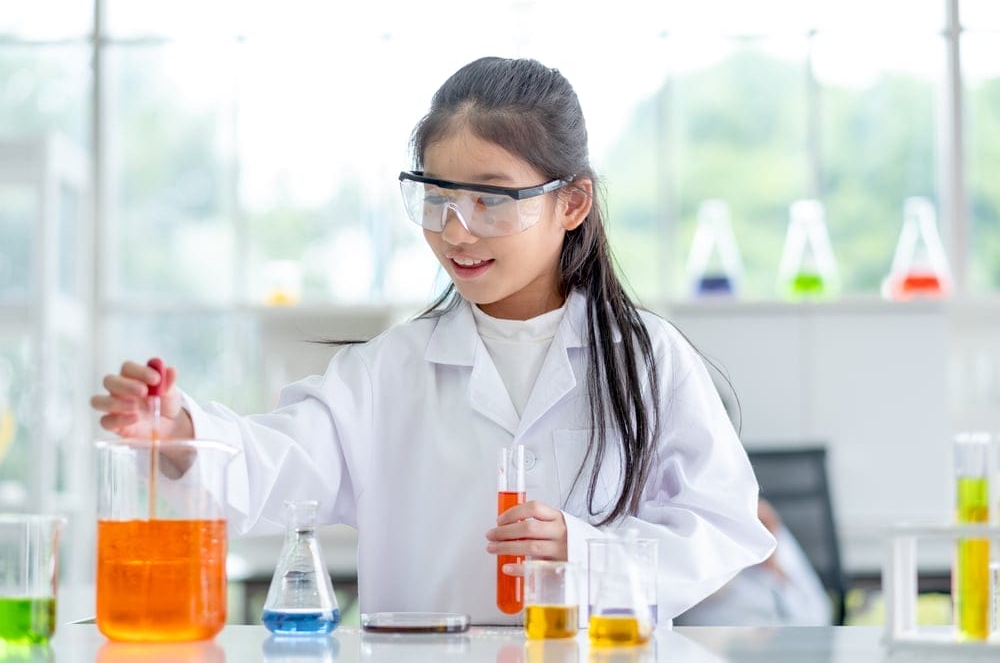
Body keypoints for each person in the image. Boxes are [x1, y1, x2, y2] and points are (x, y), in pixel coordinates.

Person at [91, 57, 775, 625]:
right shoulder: (389, 370)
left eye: (491, 198)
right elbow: (278, 467)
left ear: (571, 203)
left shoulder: (645, 357)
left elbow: (720, 525)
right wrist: (180, 431)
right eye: (437, 197)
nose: (456, 230)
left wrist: (586, 550)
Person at [674, 499, 833, 626]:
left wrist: (773, 566)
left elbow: (818, 616)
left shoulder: (772, 538)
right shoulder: (698, 531)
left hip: (783, 637)